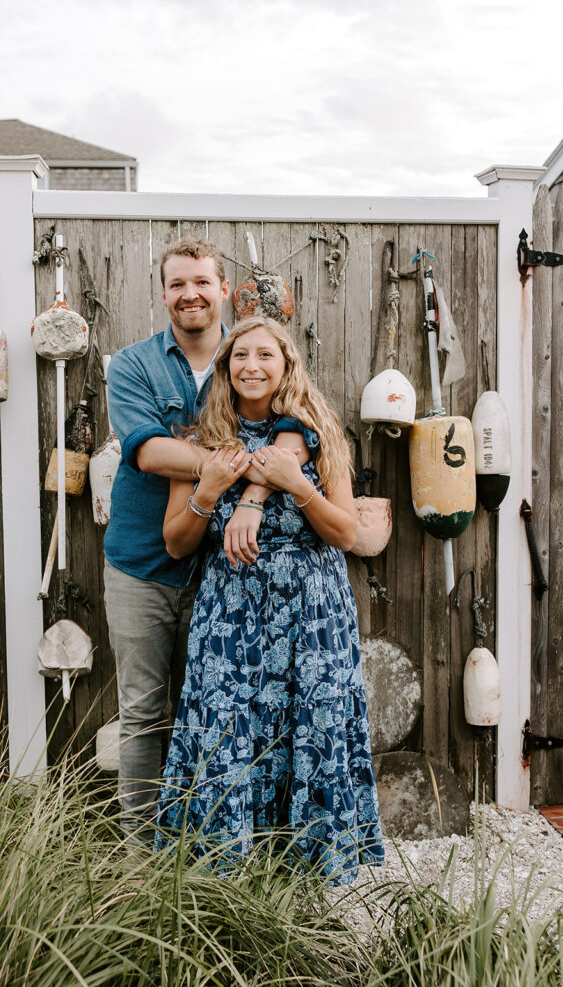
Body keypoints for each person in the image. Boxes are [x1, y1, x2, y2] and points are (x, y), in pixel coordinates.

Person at [156, 316, 384, 884]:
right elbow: (177, 542)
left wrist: (297, 486)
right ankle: (225, 871)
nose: (251, 366)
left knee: (314, 725)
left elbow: (348, 534)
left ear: (286, 366)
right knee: (227, 729)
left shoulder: (319, 434)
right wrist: (208, 493)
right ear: (225, 370)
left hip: (312, 612)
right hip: (232, 617)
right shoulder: (202, 446)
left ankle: (311, 873)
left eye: (265, 355)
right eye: (239, 356)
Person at [104, 239, 311, 836]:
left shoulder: (248, 354)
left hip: (229, 571)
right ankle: (144, 852)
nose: (189, 294)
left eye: (201, 282)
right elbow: (148, 452)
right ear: (164, 293)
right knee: (143, 712)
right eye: (176, 284)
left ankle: (207, 846)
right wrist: (237, 462)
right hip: (142, 562)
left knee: (224, 710)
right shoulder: (135, 365)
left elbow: (298, 425)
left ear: (224, 289)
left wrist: (241, 476)